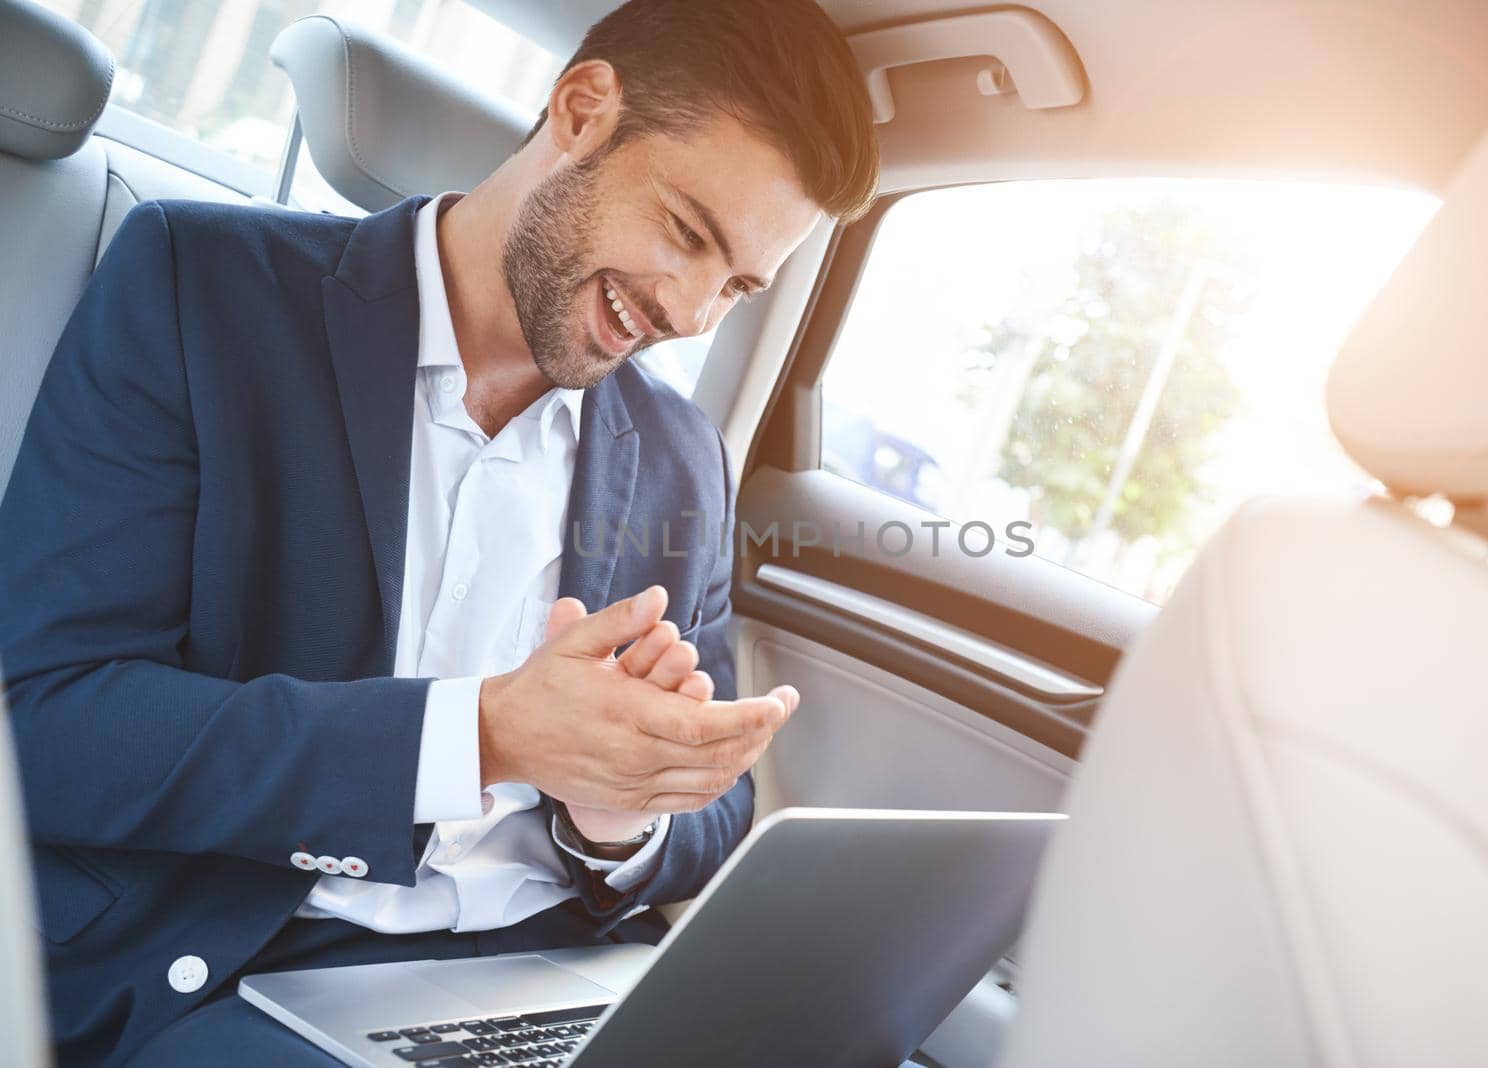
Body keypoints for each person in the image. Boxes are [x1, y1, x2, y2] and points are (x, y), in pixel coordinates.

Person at [0, 0, 879, 1062]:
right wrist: (485, 735)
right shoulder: (204, 285)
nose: (692, 315)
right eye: (688, 235)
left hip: (549, 980)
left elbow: (711, 810)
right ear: (583, 109)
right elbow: (45, 725)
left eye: (737, 286)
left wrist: (616, 810)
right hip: (241, 971)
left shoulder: (681, 452)